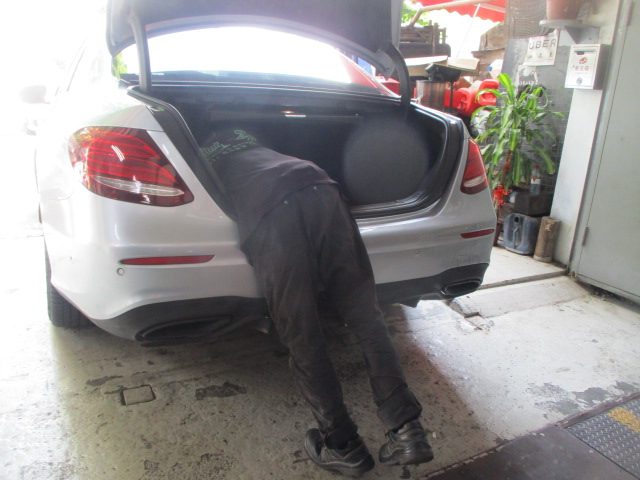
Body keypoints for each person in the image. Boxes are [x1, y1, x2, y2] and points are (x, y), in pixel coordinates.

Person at [200, 128, 434, 476]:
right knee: (366, 317)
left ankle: (342, 444)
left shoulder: (199, 153)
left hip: (270, 208)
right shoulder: (249, 137)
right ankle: (408, 431)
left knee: (302, 332)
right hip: (319, 184)